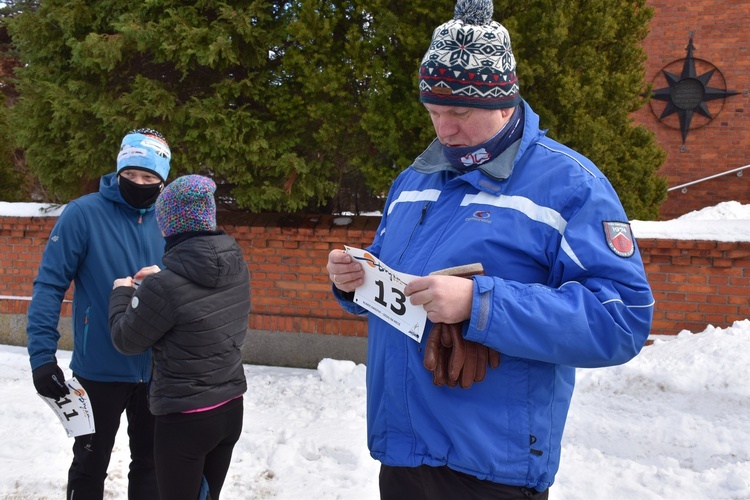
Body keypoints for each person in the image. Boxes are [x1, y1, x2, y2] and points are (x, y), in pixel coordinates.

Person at [326, 0, 655, 498]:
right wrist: (357, 279)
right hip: (401, 452)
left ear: (505, 102)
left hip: (489, 469)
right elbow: (399, 281)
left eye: (459, 111)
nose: (444, 129)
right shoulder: (415, 179)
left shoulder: (570, 186)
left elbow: (622, 320)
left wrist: (481, 304)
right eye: (433, 111)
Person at [27, 128, 172, 499]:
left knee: (152, 469)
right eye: (132, 175)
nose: (140, 183)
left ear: (162, 179)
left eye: (149, 177)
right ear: (119, 170)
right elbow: (49, 285)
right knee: (89, 467)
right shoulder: (83, 214)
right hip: (99, 370)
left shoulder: (171, 221)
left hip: (159, 370)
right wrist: (42, 357)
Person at [109, 174, 250, 500]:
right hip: (230, 409)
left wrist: (122, 294)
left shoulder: (163, 288)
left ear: (169, 225)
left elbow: (126, 340)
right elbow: (198, 300)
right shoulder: (237, 265)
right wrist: (165, 280)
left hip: (186, 421)